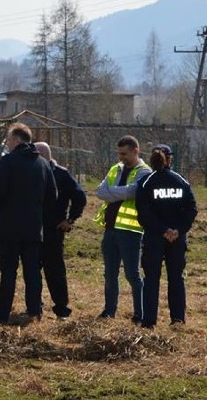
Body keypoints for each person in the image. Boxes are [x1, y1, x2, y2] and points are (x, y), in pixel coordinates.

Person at [0, 123, 57, 324]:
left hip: (9, 228)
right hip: (34, 228)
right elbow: (52, 196)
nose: (8, 144)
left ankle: (2, 314)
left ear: (17, 140)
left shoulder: (8, 162)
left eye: (9, 140)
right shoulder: (43, 164)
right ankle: (34, 311)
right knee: (33, 272)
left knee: (8, 272)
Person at [135, 144, 197, 329]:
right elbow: (192, 209)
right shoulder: (181, 181)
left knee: (151, 279)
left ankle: (149, 322)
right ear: (169, 158)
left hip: (154, 237)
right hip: (177, 239)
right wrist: (178, 230)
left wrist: (162, 230)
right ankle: (178, 319)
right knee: (176, 278)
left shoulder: (146, 182)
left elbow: (143, 213)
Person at [94, 135, 151, 322]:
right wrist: (118, 193)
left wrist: (112, 193)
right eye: (119, 153)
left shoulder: (144, 171)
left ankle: (139, 314)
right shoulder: (115, 169)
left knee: (132, 274)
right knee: (109, 274)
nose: (121, 157)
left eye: (124, 154)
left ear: (136, 151)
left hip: (130, 231)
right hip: (110, 230)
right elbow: (100, 192)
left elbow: (132, 192)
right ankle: (109, 311)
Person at [34, 142, 87, 319]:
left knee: (55, 271)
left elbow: (79, 197)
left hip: (54, 230)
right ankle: (35, 307)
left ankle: (61, 308)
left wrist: (70, 219)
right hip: (33, 229)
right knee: (33, 270)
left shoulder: (61, 174)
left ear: (45, 155)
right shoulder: (31, 172)